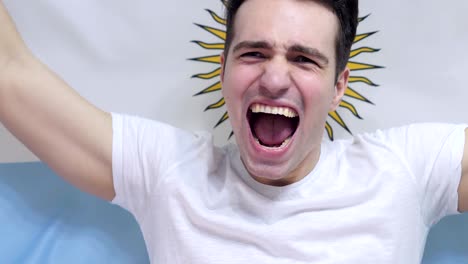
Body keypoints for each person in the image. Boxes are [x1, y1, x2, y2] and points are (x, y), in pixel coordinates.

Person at [0, 0, 467, 263]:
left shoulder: (406, 168)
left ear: (339, 85)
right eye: (253, 53)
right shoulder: (168, 171)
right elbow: (9, 73)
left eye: (304, 59)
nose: (275, 78)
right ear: (222, 68)